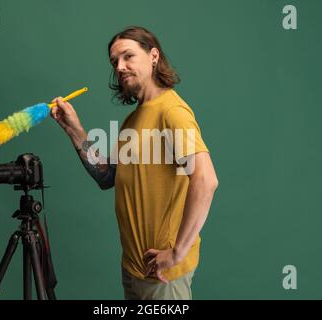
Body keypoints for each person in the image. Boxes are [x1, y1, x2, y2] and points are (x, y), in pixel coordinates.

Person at [50, 26, 218, 300]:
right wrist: (74, 130)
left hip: (162, 276)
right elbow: (107, 177)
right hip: (133, 268)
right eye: (114, 61)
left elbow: (206, 180)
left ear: (153, 56)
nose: (120, 66)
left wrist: (177, 253)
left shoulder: (172, 112)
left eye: (128, 56)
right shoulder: (134, 119)